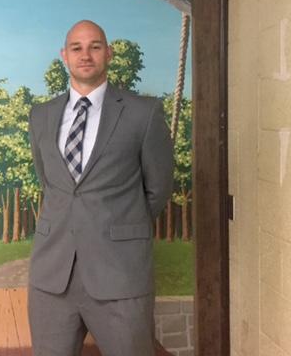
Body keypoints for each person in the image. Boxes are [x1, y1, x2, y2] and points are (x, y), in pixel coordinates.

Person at [27, 20, 174, 356]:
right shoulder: (41, 116)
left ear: (108, 53)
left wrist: (117, 223)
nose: (86, 55)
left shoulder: (144, 113)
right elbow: (51, 183)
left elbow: (158, 188)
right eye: (76, 48)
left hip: (120, 275)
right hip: (52, 278)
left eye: (95, 46)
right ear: (64, 56)